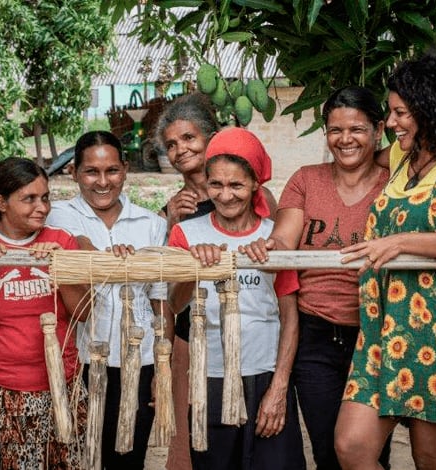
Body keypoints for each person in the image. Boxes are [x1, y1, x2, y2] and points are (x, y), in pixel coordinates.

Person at [334, 53, 436, 470]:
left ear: (430, 110)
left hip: (435, 330)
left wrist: (403, 241)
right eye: (391, 113)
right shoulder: (400, 158)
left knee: (431, 461)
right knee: (352, 448)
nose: (391, 123)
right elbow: (352, 152)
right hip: (380, 327)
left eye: (400, 112)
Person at [240, 86, 393, 470]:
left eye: (357, 129)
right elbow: (284, 238)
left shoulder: (395, 182)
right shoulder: (306, 179)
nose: (345, 139)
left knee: (370, 452)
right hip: (316, 337)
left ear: (378, 130)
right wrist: (269, 246)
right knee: (328, 451)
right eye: (335, 130)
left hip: (376, 332)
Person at [168, 127, 304, 470]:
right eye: (216, 184)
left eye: (237, 185)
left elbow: (289, 317)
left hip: (265, 375)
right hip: (209, 379)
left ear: (256, 184)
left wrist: (278, 389)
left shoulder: (273, 239)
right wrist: (194, 268)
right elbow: (174, 304)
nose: (225, 195)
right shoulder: (187, 234)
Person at [154, 93, 278, 470]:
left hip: (251, 332)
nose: (180, 150)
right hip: (193, 334)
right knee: (191, 435)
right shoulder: (176, 205)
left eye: (189, 138)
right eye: (171, 144)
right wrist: (170, 216)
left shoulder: (248, 192)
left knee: (246, 437)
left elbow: (271, 245)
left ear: (211, 138)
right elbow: (164, 277)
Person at [0, 157, 90, 469]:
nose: (41, 207)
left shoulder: (61, 242)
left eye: (45, 197)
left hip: (59, 386)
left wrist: (60, 270)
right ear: (1, 202)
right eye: (29, 199)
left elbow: (83, 313)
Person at [46, 130, 172, 470]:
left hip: (140, 361)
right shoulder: (55, 216)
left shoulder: (149, 224)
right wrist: (89, 250)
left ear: (126, 169)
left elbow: (161, 302)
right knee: (80, 457)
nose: (102, 182)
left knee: (128, 458)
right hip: (82, 362)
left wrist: (163, 370)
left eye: (112, 171)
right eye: (91, 172)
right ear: (73, 172)